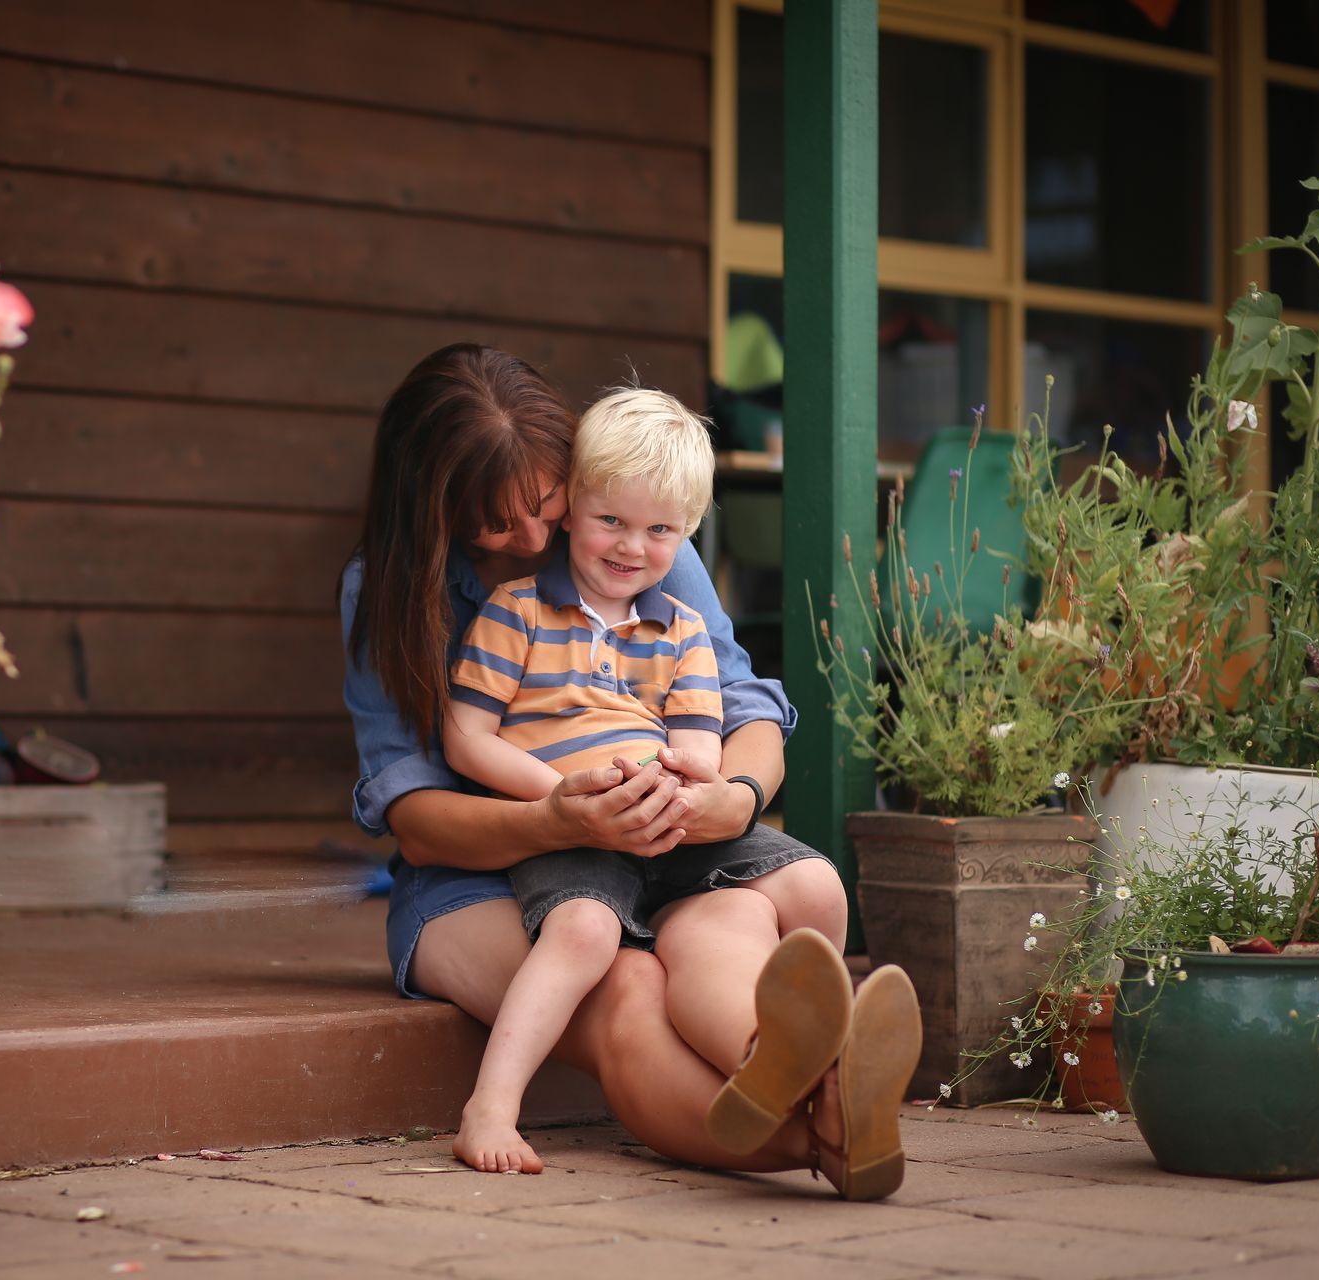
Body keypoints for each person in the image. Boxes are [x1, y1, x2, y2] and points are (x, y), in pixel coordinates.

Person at [339, 343, 921, 1196]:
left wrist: (732, 798)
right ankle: (825, 1134)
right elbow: (420, 820)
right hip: (480, 871)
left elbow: (740, 706)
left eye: (547, 504)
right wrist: (557, 819)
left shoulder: (634, 525)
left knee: (728, 925)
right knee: (626, 983)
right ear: (433, 513)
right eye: (497, 527)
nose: (537, 539)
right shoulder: (393, 588)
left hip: (654, 838)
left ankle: (819, 1092)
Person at [438, 387, 840, 1172]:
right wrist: (556, 800)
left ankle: (815, 1057)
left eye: (660, 530)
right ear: (573, 507)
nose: (630, 547)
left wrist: (693, 789)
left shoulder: (682, 629)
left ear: (688, 533)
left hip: (666, 817)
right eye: (611, 521)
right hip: (572, 820)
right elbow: (465, 736)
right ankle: (489, 1107)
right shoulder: (516, 609)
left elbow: (698, 741)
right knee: (583, 932)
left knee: (816, 885)